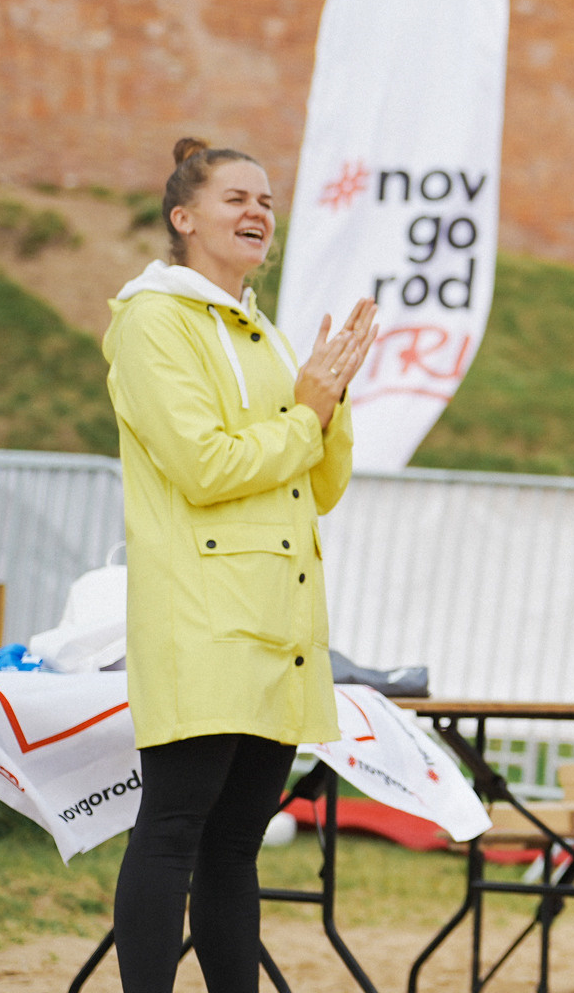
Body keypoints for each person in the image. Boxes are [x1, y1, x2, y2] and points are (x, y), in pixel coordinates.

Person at [104, 139, 376, 993]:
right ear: (183, 219)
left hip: (277, 624)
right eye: (235, 199)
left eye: (266, 199)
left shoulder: (260, 329)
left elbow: (320, 487)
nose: (259, 211)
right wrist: (307, 415)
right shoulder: (152, 321)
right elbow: (204, 464)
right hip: (202, 618)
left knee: (234, 846)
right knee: (174, 830)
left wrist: (328, 408)